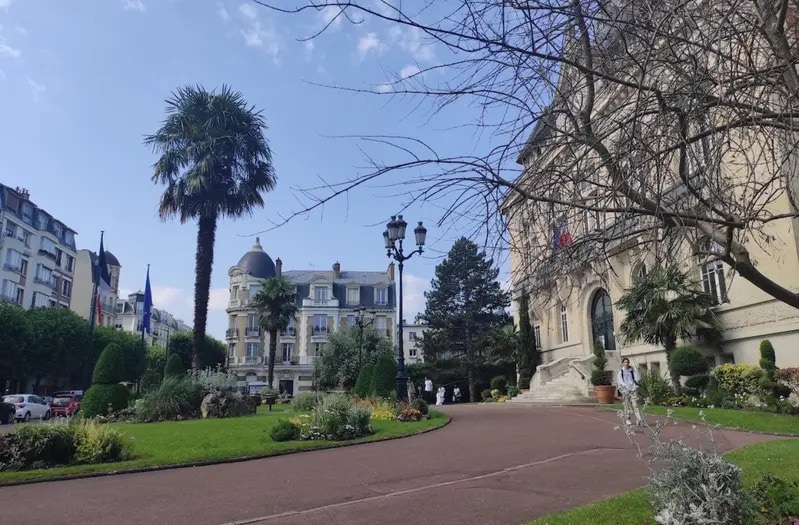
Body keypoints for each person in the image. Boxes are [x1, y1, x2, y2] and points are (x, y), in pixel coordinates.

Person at [617, 358, 644, 426]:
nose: (626, 364)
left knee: (635, 405)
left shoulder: (632, 371)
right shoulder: (621, 372)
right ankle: (628, 419)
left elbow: (637, 378)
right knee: (627, 405)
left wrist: (635, 385)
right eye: (625, 362)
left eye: (627, 362)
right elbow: (620, 381)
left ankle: (639, 419)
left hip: (633, 390)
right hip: (625, 391)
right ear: (623, 363)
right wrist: (625, 387)